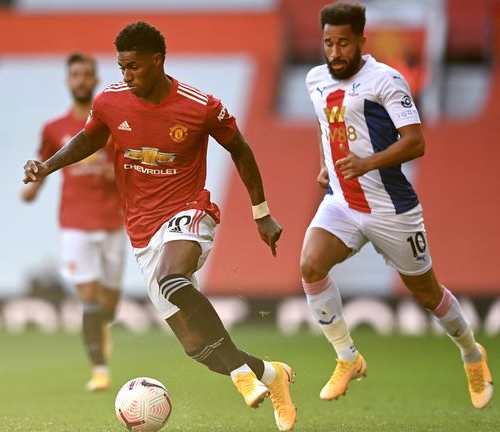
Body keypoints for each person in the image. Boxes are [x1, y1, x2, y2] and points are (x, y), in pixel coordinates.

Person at [23, 22, 297, 430]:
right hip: (142, 230)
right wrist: (46, 166)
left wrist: (261, 212)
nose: (126, 76)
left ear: (157, 60)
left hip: (189, 211)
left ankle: (242, 374)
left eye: (133, 67)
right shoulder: (111, 102)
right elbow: (89, 138)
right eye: (121, 68)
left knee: (174, 279)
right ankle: (272, 376)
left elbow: (239, 148)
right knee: (195, 348)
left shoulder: (200, 106)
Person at [300, 2, 493, 409]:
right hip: (342, 203)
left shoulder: (386, 80)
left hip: (391, 209)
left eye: (343, 43)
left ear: (361, 41)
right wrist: (325, 166)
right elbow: (325, 127)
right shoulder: (315, 79)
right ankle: (347, 357)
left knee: (427, 293)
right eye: (328, 43)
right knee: (310, 266)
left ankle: (472, 353)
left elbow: (416, 141)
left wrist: (367, 162)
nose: (335, 52)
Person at [21, 52, 126, 392]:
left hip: (112, 221)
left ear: (95, 80)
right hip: (75, 223)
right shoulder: (54, 128)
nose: (81, 80)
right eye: (75, 75)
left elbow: (129, 162)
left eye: (86, 74)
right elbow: (45, 163)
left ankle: (101, 328)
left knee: (108, 303)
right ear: (68, 82)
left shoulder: (110, 124)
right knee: (88, 297)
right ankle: (99, 369)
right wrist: (33, 188)